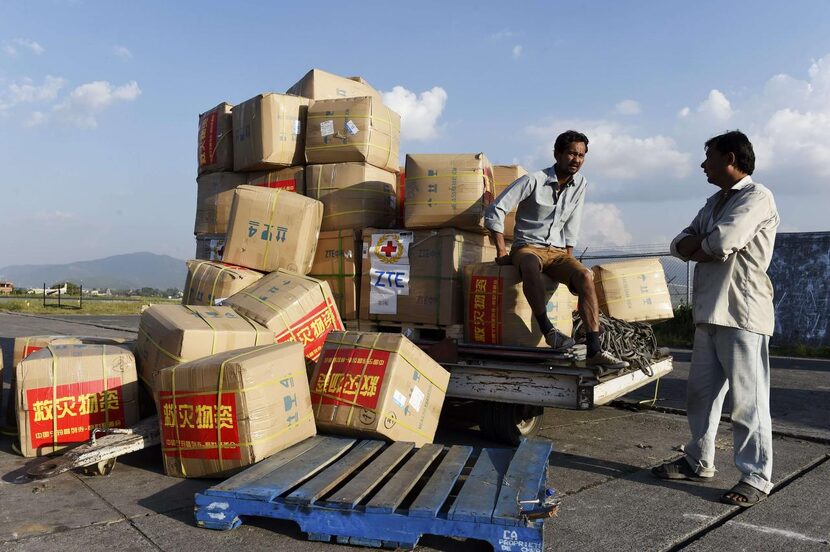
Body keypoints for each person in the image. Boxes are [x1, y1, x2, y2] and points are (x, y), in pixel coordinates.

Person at [652, 130, 779, 507]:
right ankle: (697, 460)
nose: (702, 164)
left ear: (731, 159)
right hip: (710, 312)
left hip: (742, 312)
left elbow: (722, 244)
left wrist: (700, 245)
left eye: (708, 156)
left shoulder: (758, 197)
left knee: (748, 401)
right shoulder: (713, 202)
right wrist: (699, 246)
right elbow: (679, 244)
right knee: (701, 397)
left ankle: (756, 476)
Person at [484, 130, 628, 368]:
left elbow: (574, 220)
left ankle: (594, 350)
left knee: (585, 276)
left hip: (558, 251)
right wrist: (501, 251)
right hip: (528, 247)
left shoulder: (580, 183)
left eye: (581, 155)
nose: (577, 160)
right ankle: (548, 330)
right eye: (572, 153)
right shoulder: (534, 180)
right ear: (557, 154)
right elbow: (496, 209)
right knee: (530, 264)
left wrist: (570, 261)